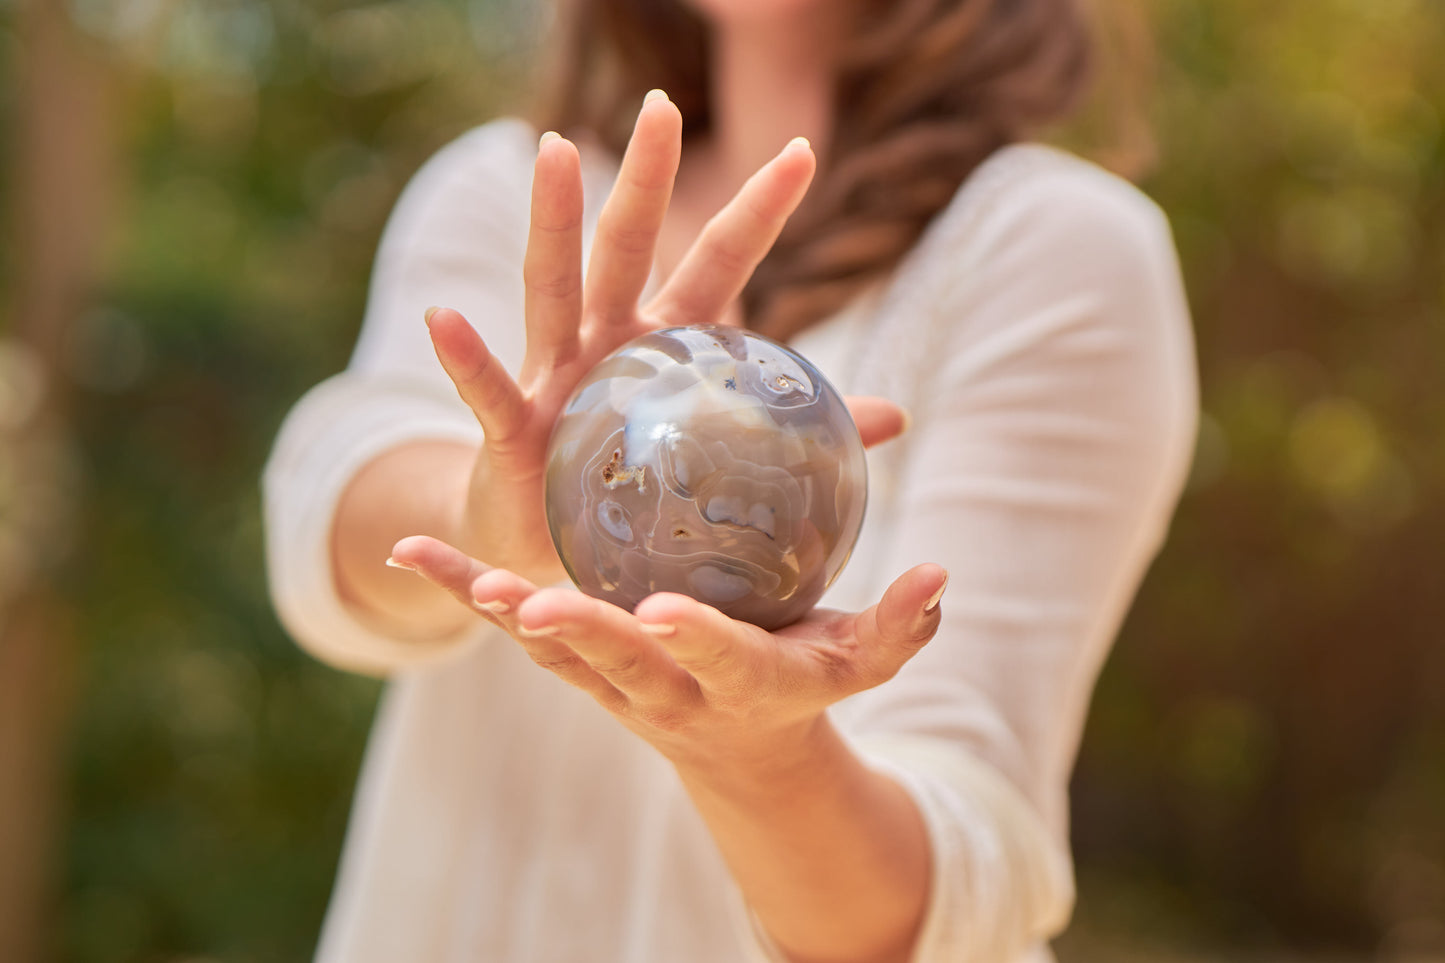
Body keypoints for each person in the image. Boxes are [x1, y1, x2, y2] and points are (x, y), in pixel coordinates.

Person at [262, 0, 1198, 960]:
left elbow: (956, 890)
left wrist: (752, 748)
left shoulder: (1055, 247)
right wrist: (484, 514)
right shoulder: (518, 184)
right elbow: (331, 503)